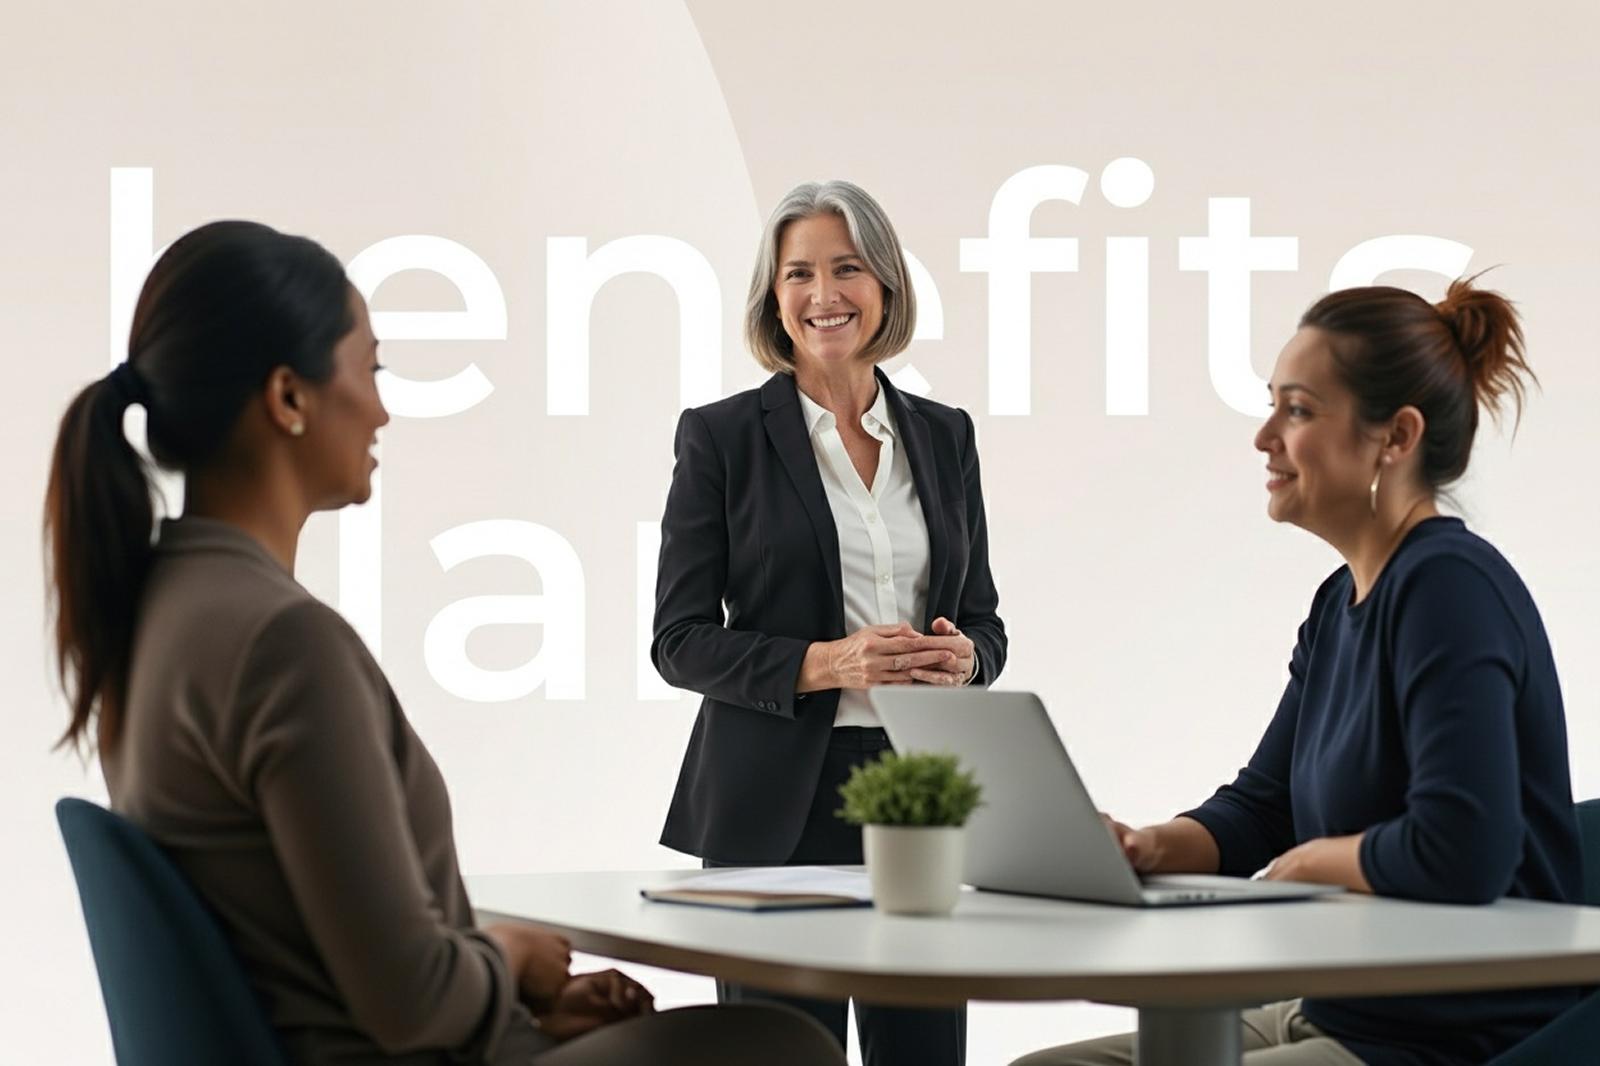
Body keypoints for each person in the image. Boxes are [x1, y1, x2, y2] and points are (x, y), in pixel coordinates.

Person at [44, 220, 843, 1066]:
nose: (384, 408)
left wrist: (517, 994)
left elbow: (317, 951)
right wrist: (513, 957)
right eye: (371, 370)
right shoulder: (282, 644)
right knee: (775, 1043)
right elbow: (413, 1002)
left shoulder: (159, 608)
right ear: (289, 398)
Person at [1013, 278, 1582, 1066]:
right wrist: (1147, 846)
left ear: (1396, 437)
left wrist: (1316, 863)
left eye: (1299, 409)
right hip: (1339, 1007)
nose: (1264, 436)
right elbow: (1263, 807)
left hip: (1451, 1034)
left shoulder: (1450, 589)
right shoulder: (1338, 604)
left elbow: (1462, 847)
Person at [651, 180, 1007, 1066]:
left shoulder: (944, 435)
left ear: (885, 284)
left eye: (846, 268)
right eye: (798, 274)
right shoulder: (721, 437)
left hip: (913, 796)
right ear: (773, 298)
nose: (823, 295)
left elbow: (987, 624)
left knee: (925, 1054)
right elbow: (678, 638)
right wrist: (829, 662)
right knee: (784, 1055)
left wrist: (966, 660)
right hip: (774, 801)